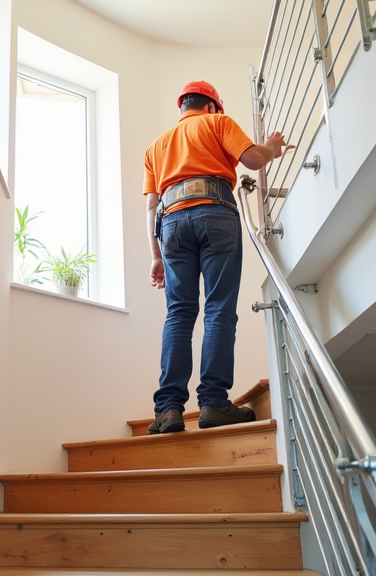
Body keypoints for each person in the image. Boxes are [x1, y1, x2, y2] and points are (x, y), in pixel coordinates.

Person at [143, 80, 292, 434]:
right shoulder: (218, 124)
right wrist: (271, 147)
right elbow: (253, 160)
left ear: (183, 107)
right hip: (216, 212)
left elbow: (151, 205)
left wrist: (156, 256)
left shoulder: (156, 147)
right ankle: (213, 402)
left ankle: (168, 410)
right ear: (211, 106)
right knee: (218, 309)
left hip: (172, 222)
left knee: (178, 313)